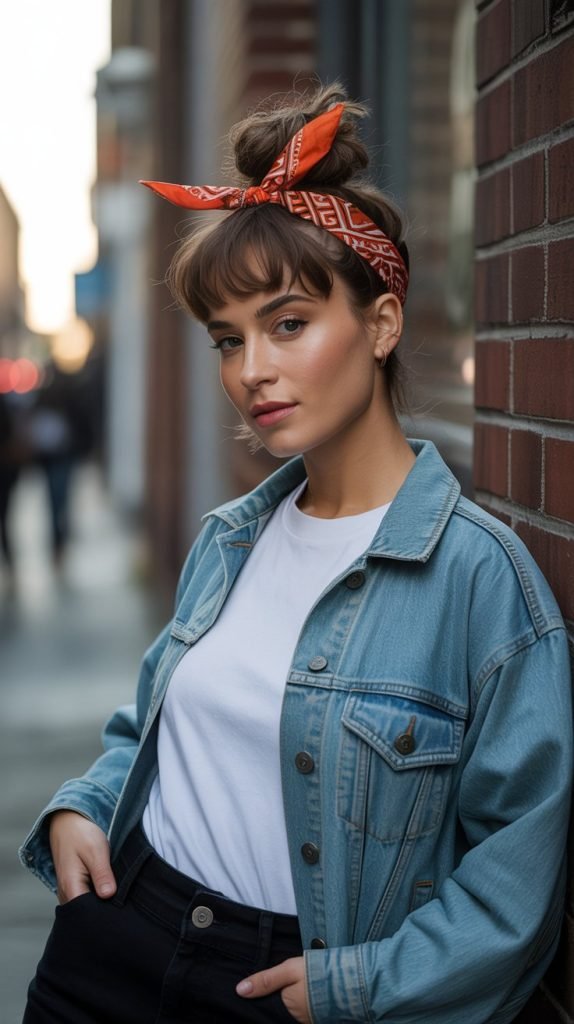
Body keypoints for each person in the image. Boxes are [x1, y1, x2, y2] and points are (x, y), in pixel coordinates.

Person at [21, 84, 572, 1024]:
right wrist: (85, 802)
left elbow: (517, 883)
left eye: (287, 325)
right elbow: (158, 718)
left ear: (383, 325)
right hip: (114, 940)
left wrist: (360, 988)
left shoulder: (480, 581)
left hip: (286, 989)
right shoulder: (231, 538)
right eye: (228, 340)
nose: (250, 372)